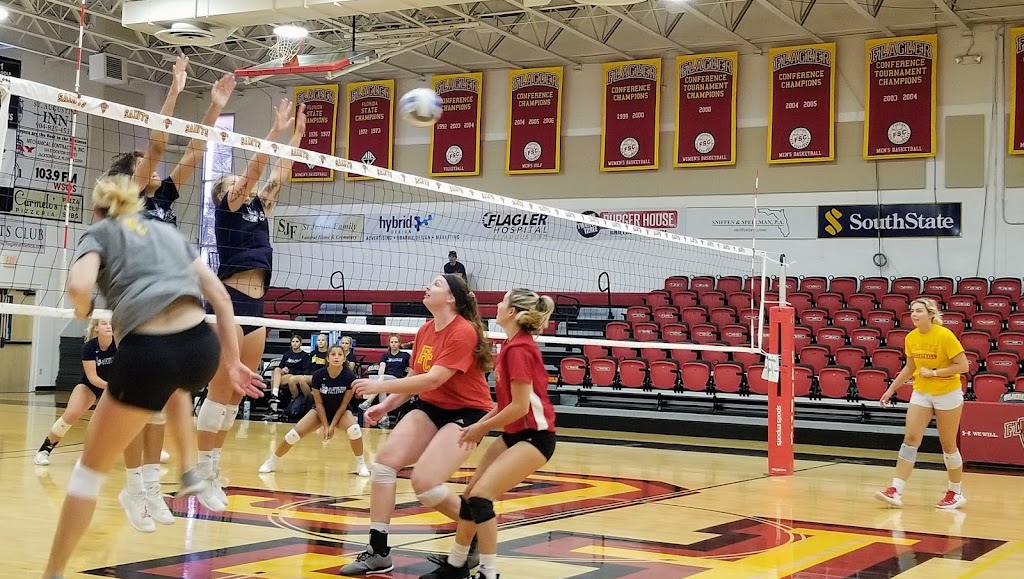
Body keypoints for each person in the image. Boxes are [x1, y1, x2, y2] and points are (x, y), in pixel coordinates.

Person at [43, 174, 263, 579]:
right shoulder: (166, 231)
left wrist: (82, 309)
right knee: (175, 386)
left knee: (87, 474)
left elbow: (78, 286)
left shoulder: (99, 233)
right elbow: (219, 296)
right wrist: (232, 362)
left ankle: (52, 573)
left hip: (149, 351)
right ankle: (189, 469)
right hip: (201, 348)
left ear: (98, 210)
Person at [108, 57, 236, 533]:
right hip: (138, 308)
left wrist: (215, 106)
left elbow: (195, 151)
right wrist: (175, 89)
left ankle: (147, 487)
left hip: (173, 309)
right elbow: (159, 143)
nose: (158, 169)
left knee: (165, 402)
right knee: (138, 406)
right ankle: (134, 487)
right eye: (148, 167)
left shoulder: (162, 199)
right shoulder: (128, 199)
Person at [339, 274, 494, 575]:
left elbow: (434, 379)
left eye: (436, 284)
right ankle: (378, 551)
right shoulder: (425, 329)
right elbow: (414, 378)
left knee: (424, 483)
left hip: (469, 412)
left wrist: (378, 386)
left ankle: (473, 529)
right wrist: (384, 405)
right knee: (384, 465)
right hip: (432, 407)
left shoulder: (463, 331)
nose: (427, 287)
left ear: (451, 298)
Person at [194, 99, 305, 509]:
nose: (244, 183)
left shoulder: (259, 208)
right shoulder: (229, 208)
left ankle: (213, 466)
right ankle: (202, 472)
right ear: (226, 193)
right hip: (229, 303)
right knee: (219, 391)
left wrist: (296, 138)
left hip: (256, 309)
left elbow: (278, 175)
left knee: (236, 396)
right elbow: (256, 171)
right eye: (235, 181)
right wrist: (274, 131)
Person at [421, 288, 557, 579]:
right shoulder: (510, 345)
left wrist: (481, 427)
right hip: (515, 434)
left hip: (535, 437)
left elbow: (520, 407)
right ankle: (456, 565)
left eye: (502, 302)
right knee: (470, 496)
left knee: (482, 498)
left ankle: (489, 573)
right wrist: (477, 425)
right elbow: (505, 404)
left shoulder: (520, 350)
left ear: (512, 312)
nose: (496, 305)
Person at [876, 298, 970, 510]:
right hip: (922, 392)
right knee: (910, 439)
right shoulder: (911, 337)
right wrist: (891, 390)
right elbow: (910, 367)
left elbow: (963, 365)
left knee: (948, 445)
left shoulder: (945, 335)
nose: (914, 314)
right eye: (912, 311)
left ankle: (956, 492)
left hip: (947, 393)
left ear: (930, 314)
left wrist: (935, 373)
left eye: (919, 311)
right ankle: (896, 489)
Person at [259, 345, 370, 476]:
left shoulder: (350, 376)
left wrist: (332, 426)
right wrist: (325, 426)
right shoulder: (318, 375)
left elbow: (344, 404)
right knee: (292, 435)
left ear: (344, 358)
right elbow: (319, 403)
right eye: (333, 354)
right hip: (319, 411)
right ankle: (272, 461)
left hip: (341, 412)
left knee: (355, 430)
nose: (336, 357)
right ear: (327, 358)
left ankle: (361, 464)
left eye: (340, 355)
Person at [34, 319, 116, 466]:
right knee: (71, 414)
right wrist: (112, 386)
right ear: (96, 328)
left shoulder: (120, 345)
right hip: (91, 385)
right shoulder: (89, 347)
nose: (108, 326)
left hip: (113, 386)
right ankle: (44, 451)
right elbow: (93, 378)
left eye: (110, 323)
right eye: (104, 323)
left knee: (128, 417)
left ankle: (149, 454)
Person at [270, 334, 311, 412]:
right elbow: (280, 366)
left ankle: (273, 402)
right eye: (293, 341)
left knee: (274, 379)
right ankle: (275, 396)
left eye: (297, 341)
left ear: (300, 343)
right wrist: (284, 369)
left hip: (295, 375)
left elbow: (305, 371)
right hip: (284, 374)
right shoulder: (287, 354)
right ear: (291, 343)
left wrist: (290, 371)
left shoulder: (305, 356)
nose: (295, 343)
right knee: (276, 370)